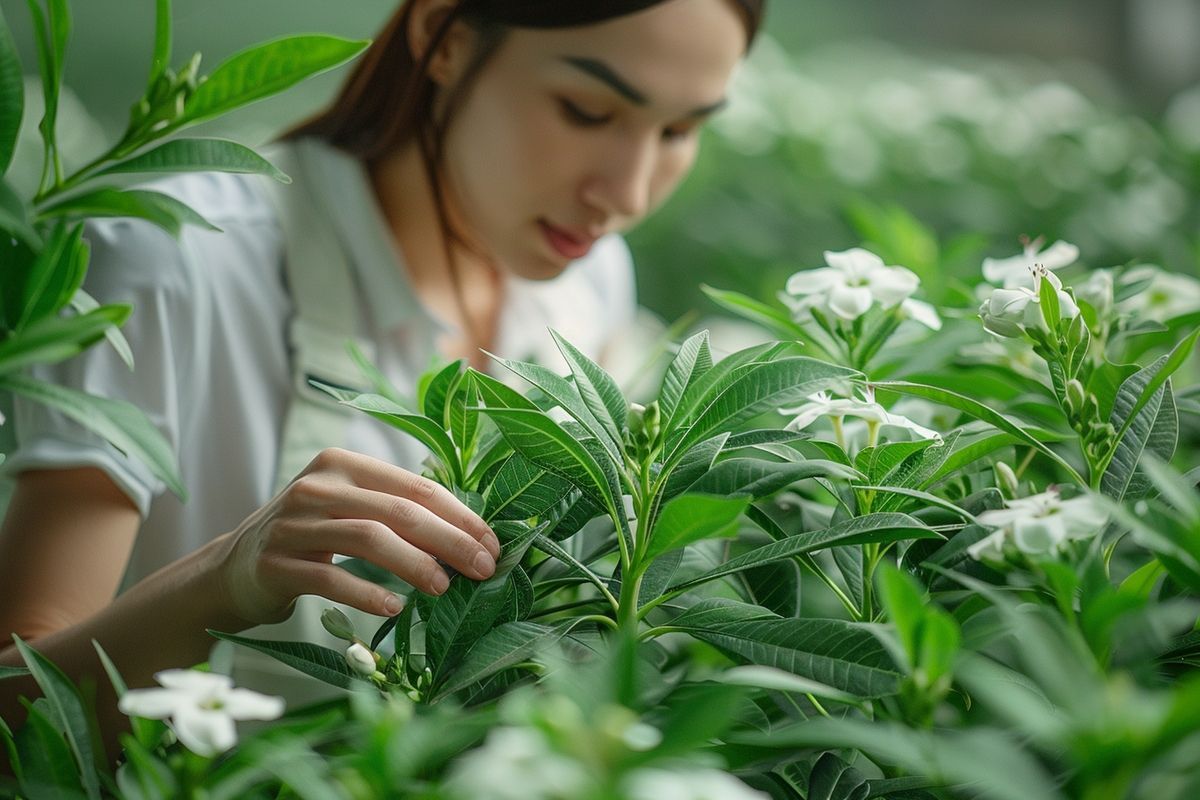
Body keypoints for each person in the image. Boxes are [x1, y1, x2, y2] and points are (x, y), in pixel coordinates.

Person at [0, 0, 764, 748]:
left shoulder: (585, 282)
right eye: (585, 110)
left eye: (680, 130)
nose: (626, 196)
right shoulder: (169, 259)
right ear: (445, 37)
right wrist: (225, 582)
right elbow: (13, 721)